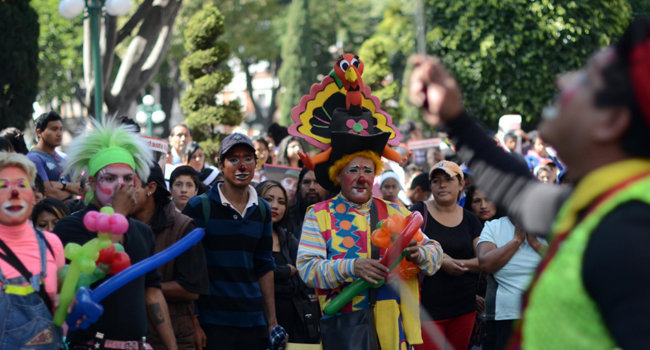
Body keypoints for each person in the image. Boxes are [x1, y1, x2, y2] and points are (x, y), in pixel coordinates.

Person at [408, 17, 650, 348]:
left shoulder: (631, 233)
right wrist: (454, 120)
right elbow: (522, 193)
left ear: (610, 122)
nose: (562, 80)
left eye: (585, 79)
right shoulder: (605, 205)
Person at [295, 105, 443, 349]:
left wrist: (420, 254)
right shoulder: (318, 215)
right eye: (353, 170)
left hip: (394, 330)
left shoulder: (396, 211)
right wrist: (353, 266)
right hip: (345, 329)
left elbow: (436, 253)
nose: (362, 177)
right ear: (338, 175)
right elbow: (308, 269)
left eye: (368, 170)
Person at [54, 120, 177, 350]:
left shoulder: (142, 231)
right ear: (91, 182)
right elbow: (103, 266)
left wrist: (172, 347)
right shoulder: (71, 226)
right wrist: (118, 213)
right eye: (109, 178)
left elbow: (152, 292)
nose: (121, 186)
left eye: (127, 178)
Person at [182, 133, 279, 350]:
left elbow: (264, 265)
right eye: (233, 159)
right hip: (212, 325)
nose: (242, 166)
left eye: (248, 159)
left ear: (256, 163)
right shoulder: (199, 207)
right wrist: (194, 321)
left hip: (253, 323)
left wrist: (272, 321)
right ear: (220, 164)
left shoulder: (262, 209)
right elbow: (187, 269)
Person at [132, 163, 209, 350]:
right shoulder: (121, 223)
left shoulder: (182, 228)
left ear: (150, 188)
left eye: (130, 182)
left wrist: (139, 288)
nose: (121, 189)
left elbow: (191, 287)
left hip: (173, 336)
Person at [410, 161, 482, 350]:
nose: (442, 185)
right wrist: (441, 262)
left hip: (463, 306)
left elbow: (484, 259)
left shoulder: (470, 219)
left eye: (448, 180)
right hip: (424, 309)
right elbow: (408, 247)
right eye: (436, 181)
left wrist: (455, 263)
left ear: (461, 184)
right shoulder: (418, 213)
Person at [0, 152, 66, 348]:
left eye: (22, 185)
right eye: (3, 186)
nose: (14, 193)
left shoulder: (51, 243)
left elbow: (60, 304)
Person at [256, 180, 320, 344]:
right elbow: (252, 272)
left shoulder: (289, 240)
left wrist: (275, 275)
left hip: (291, 320)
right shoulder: (249, 237)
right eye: (268, 199)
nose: (275, 206)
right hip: (256, 318)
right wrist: (285, 271)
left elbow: (301, 277)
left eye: (281, 201)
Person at [477, 217, 546, 350]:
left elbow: (566, 265)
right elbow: (485, 264)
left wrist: (536, 244)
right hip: (506, 317)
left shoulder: (551, 224)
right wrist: (516, 240)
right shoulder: (494, 226)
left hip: (545, 315)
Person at [27, 111, 84, 201]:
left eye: (61, 129)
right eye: (54, 129)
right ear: (39, 132)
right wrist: (71, 188)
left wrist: (62, 185)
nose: (59, 133)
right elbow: (48, 192)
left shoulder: (65, 158)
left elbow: (82, 188)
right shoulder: (34, 159)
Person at [289, 168, 331, 236]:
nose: (312, 187)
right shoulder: (287, 217)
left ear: (326, 187)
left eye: (317, 182)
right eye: (306, 182)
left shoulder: (336, 218)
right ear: (299, 187)